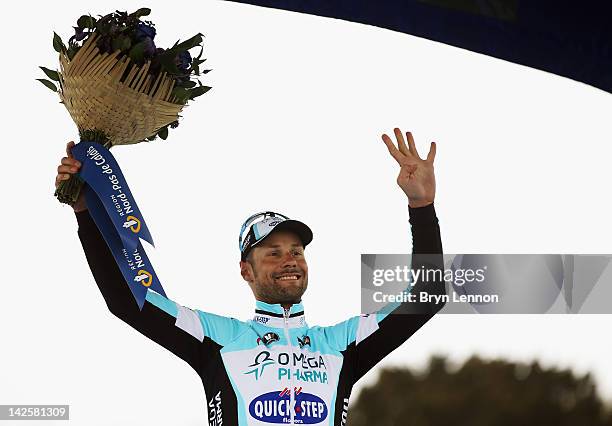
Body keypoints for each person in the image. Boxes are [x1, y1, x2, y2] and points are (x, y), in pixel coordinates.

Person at [56, 128, 445, 425]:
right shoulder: (218, 337)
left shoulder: (341, 344)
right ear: (246, 270)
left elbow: (428, 295)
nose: (289, 260)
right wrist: (86, 211)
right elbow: (129, 301)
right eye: (272, 253)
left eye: (296, 251)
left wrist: (421, 205)